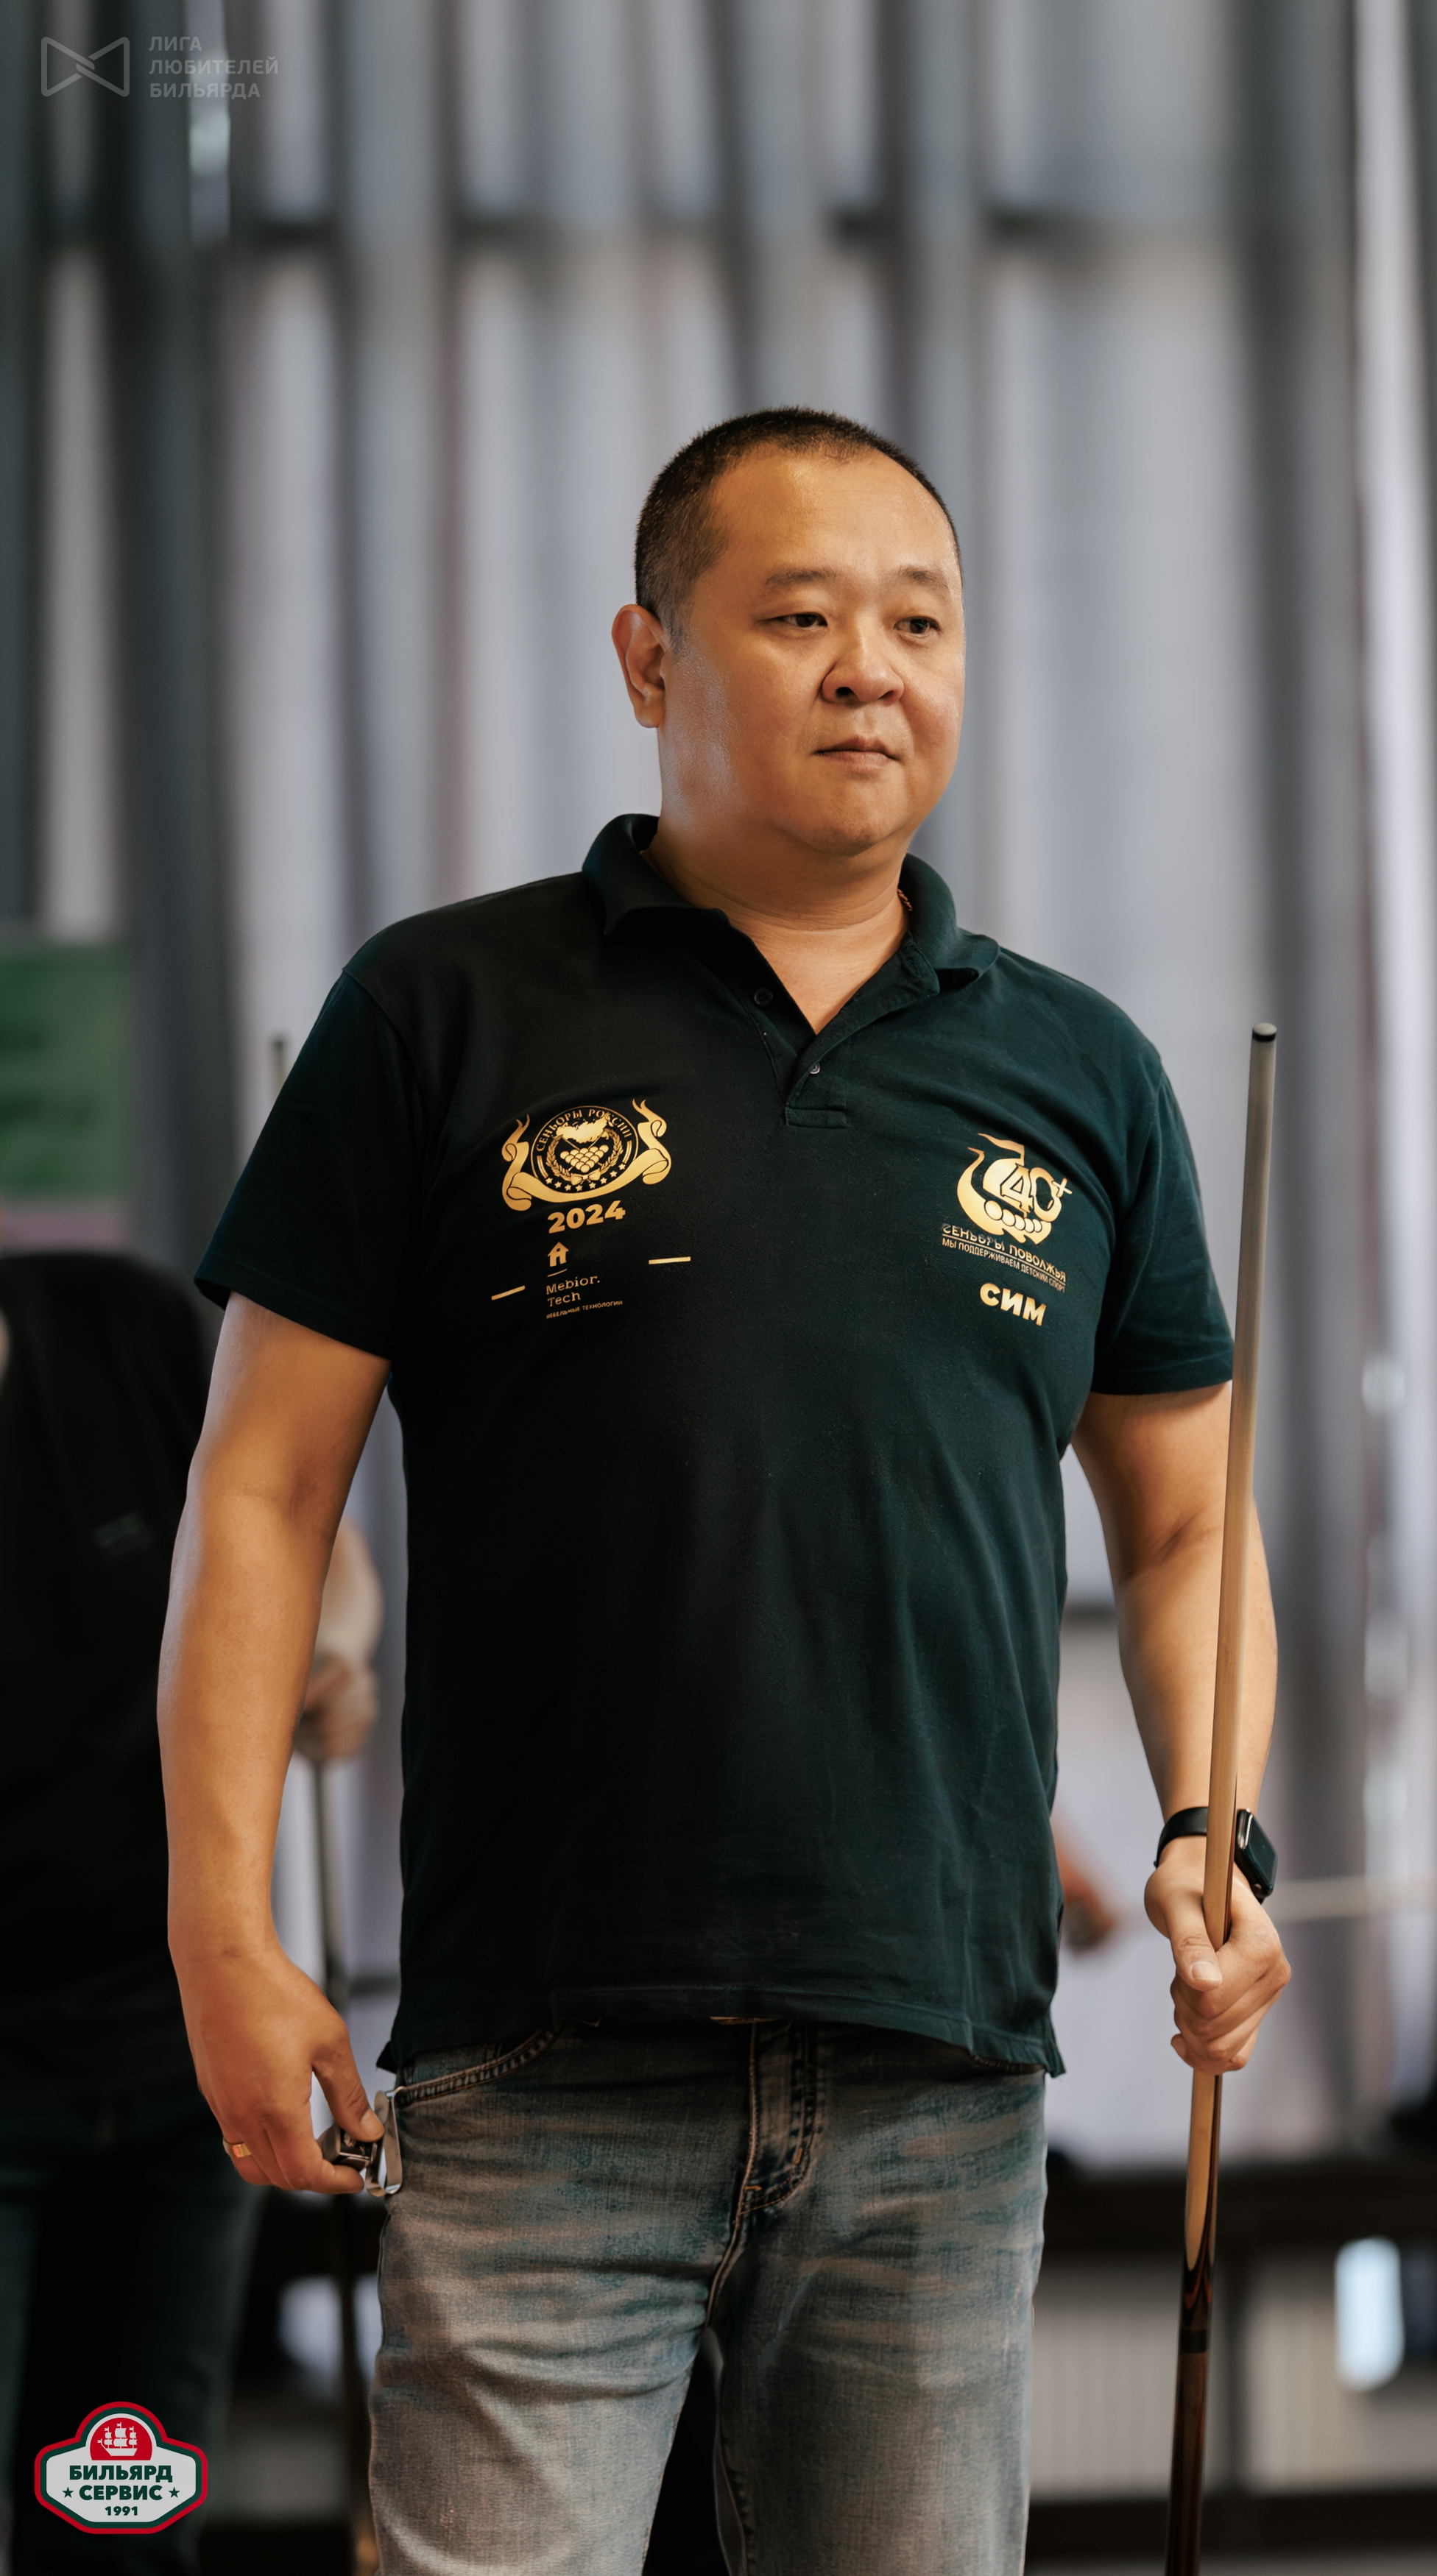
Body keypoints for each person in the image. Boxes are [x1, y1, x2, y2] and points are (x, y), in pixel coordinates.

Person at [159, 406, 1291, 2576]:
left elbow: (1181, 1520)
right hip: (539, 2059)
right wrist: (225, 1931)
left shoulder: (1078, 1070)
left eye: (919, 621)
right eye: (800, 616)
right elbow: (262, 1493)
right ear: (648, 657)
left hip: (940, 2073)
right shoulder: (439, 1008)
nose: (871, 667)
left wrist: (1207, 1824)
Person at [0, 1246, 381, 2575]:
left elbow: (304, 1537)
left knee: (122, 2516)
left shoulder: (124, 1328)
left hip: (180, 2061)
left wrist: (329, 1653)